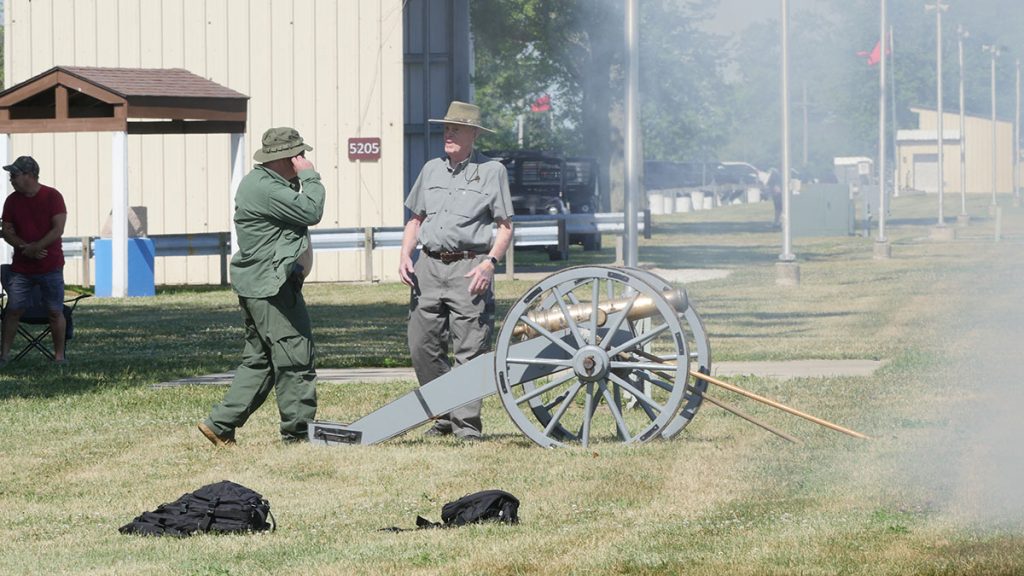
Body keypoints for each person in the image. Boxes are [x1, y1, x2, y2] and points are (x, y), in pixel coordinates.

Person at [198, 127, 325, 446]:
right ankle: (298, 433)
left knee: (261, 359)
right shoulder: (266, 188)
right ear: (286, 158)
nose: (303, 160)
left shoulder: (263, 184)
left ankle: (221, 424)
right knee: (294, 356)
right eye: (299, 156)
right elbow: (312, 210)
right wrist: (310, 178)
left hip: (262, 285)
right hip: (272, 288)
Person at [398, 101, 513, 442]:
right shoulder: (431, 169)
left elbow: (505, 227)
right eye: (447, 128)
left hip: (469, 267)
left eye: (457, 128)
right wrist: (405, 254)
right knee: (421, 345)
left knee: (470, 349)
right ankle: (444, 413)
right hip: (428, 267)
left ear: (474, 135)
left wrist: (489, 264)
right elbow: (415, 220)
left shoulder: (492, 172)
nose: (449, 133)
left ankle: (466, 427)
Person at [1, 156, 68, 366]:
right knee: (13, 309)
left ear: (29, 175)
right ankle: (3, 356)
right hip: (21, 269)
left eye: (15, 175)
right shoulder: (12, 201)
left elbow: (58, 229)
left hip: (51, 265)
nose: (11, 179)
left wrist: (37, 246)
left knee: (55, 311)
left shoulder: (52, 196)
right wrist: (25, 248)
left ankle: (59, 357)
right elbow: (6, 231)